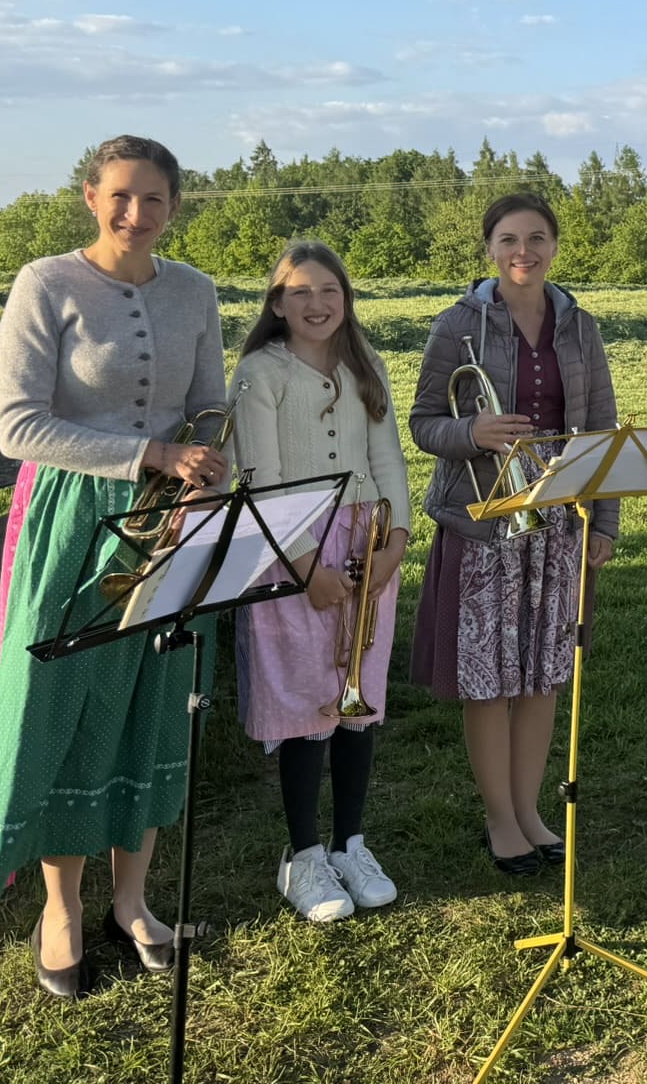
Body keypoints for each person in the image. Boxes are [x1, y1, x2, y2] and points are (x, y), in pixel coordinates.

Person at [0, 135, 228, 999]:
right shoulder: (45, 283)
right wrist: (150, 454)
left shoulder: (195, 290)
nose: (135, 213)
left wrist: (203, 465)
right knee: (64, 705)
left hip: (169, 522)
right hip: (74, 525)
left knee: (153, 699)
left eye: (153, 198)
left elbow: (209, 404)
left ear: (173, 206)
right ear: (90, 196)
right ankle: (60, 910)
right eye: (120, 194)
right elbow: (18, 425)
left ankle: (132, 901)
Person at [409, 192, 617, 876]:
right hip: (483, 518)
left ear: (554, 245)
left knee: (543, 676)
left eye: (536, 238)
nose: (523, 251)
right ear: (489, 249)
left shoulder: (581, 326)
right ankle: (500, 819)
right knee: (489, 680)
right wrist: (472, 431)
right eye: (508, 239)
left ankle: (529, 812)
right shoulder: (456, 325)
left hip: (557, 518)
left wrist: (604, 523)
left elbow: (602, 428)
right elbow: (423, 423)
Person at [228, 242, 413, 922]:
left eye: (329, 290)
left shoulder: (366, 364)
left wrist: (396, 541)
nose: (316, 303)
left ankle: (350, 844)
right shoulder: (260, 373)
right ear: (277, 304)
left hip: (367, 543)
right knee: (307, 702)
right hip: (294, 548)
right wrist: (307, 567)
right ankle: (304, 856)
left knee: (356, 698)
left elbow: (387, 458)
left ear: (346, 299)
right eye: (300, 292)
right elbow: (262, 480)